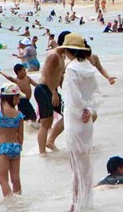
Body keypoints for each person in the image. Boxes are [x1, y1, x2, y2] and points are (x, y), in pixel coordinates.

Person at [57, 33, 103, 211]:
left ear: (69, 50)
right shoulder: (89, 67)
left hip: (74, 120)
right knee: (85, 163)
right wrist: (89, 110)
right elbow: (96, 94)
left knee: (75, 165)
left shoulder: (71, 69)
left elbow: (71, 98)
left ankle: (76, 204)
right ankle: (84, 201)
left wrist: (81, 109)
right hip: (86, 121)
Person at [0, 83, 25, 197]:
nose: (19, 99)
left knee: (3, 180)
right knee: (16, 179)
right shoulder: (19, 115)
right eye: (18, 96)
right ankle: (19, 199)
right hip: (15, 147)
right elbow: (21, 136)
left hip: (3, 148)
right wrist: (19, 148)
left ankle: (10, 203)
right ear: (12, 97)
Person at [35, 32, 66, 153]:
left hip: (53, 90)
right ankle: (42, 151)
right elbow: (46, 74)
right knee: (45, 122)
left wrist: (65, 89)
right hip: (44, 89)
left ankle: (50, 141)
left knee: (67, 114)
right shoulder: (53, 55)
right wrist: (53, 92)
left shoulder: (62, 56)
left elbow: (59, 75)